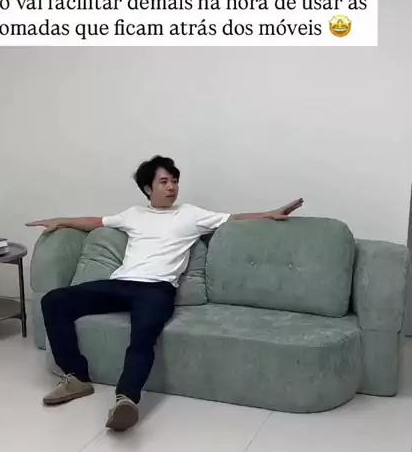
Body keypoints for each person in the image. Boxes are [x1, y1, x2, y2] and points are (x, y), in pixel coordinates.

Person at [27, 156, 303, 432]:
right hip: (121, 283)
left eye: (174, 181)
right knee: (54, 300)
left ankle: (126, 400)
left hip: (157, 289)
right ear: (148, 188)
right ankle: (76, 377)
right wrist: (60, 221)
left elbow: (233, 218)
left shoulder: (191, 215)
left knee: (142, 336)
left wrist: (270, 213)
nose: (172, 187)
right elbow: (96, 221)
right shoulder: (133, 214)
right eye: (164, 181)